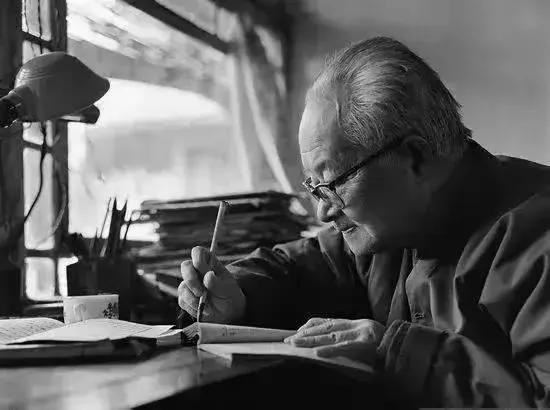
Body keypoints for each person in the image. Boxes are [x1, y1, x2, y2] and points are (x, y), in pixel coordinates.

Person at [178, 36, 550, 407]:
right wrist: (237, 294)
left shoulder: (536, 237)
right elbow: (298, 266)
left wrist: (395, 351)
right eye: (314, 188)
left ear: (415, 157)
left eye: (332, 184)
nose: (323, 212)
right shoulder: (388, 231)